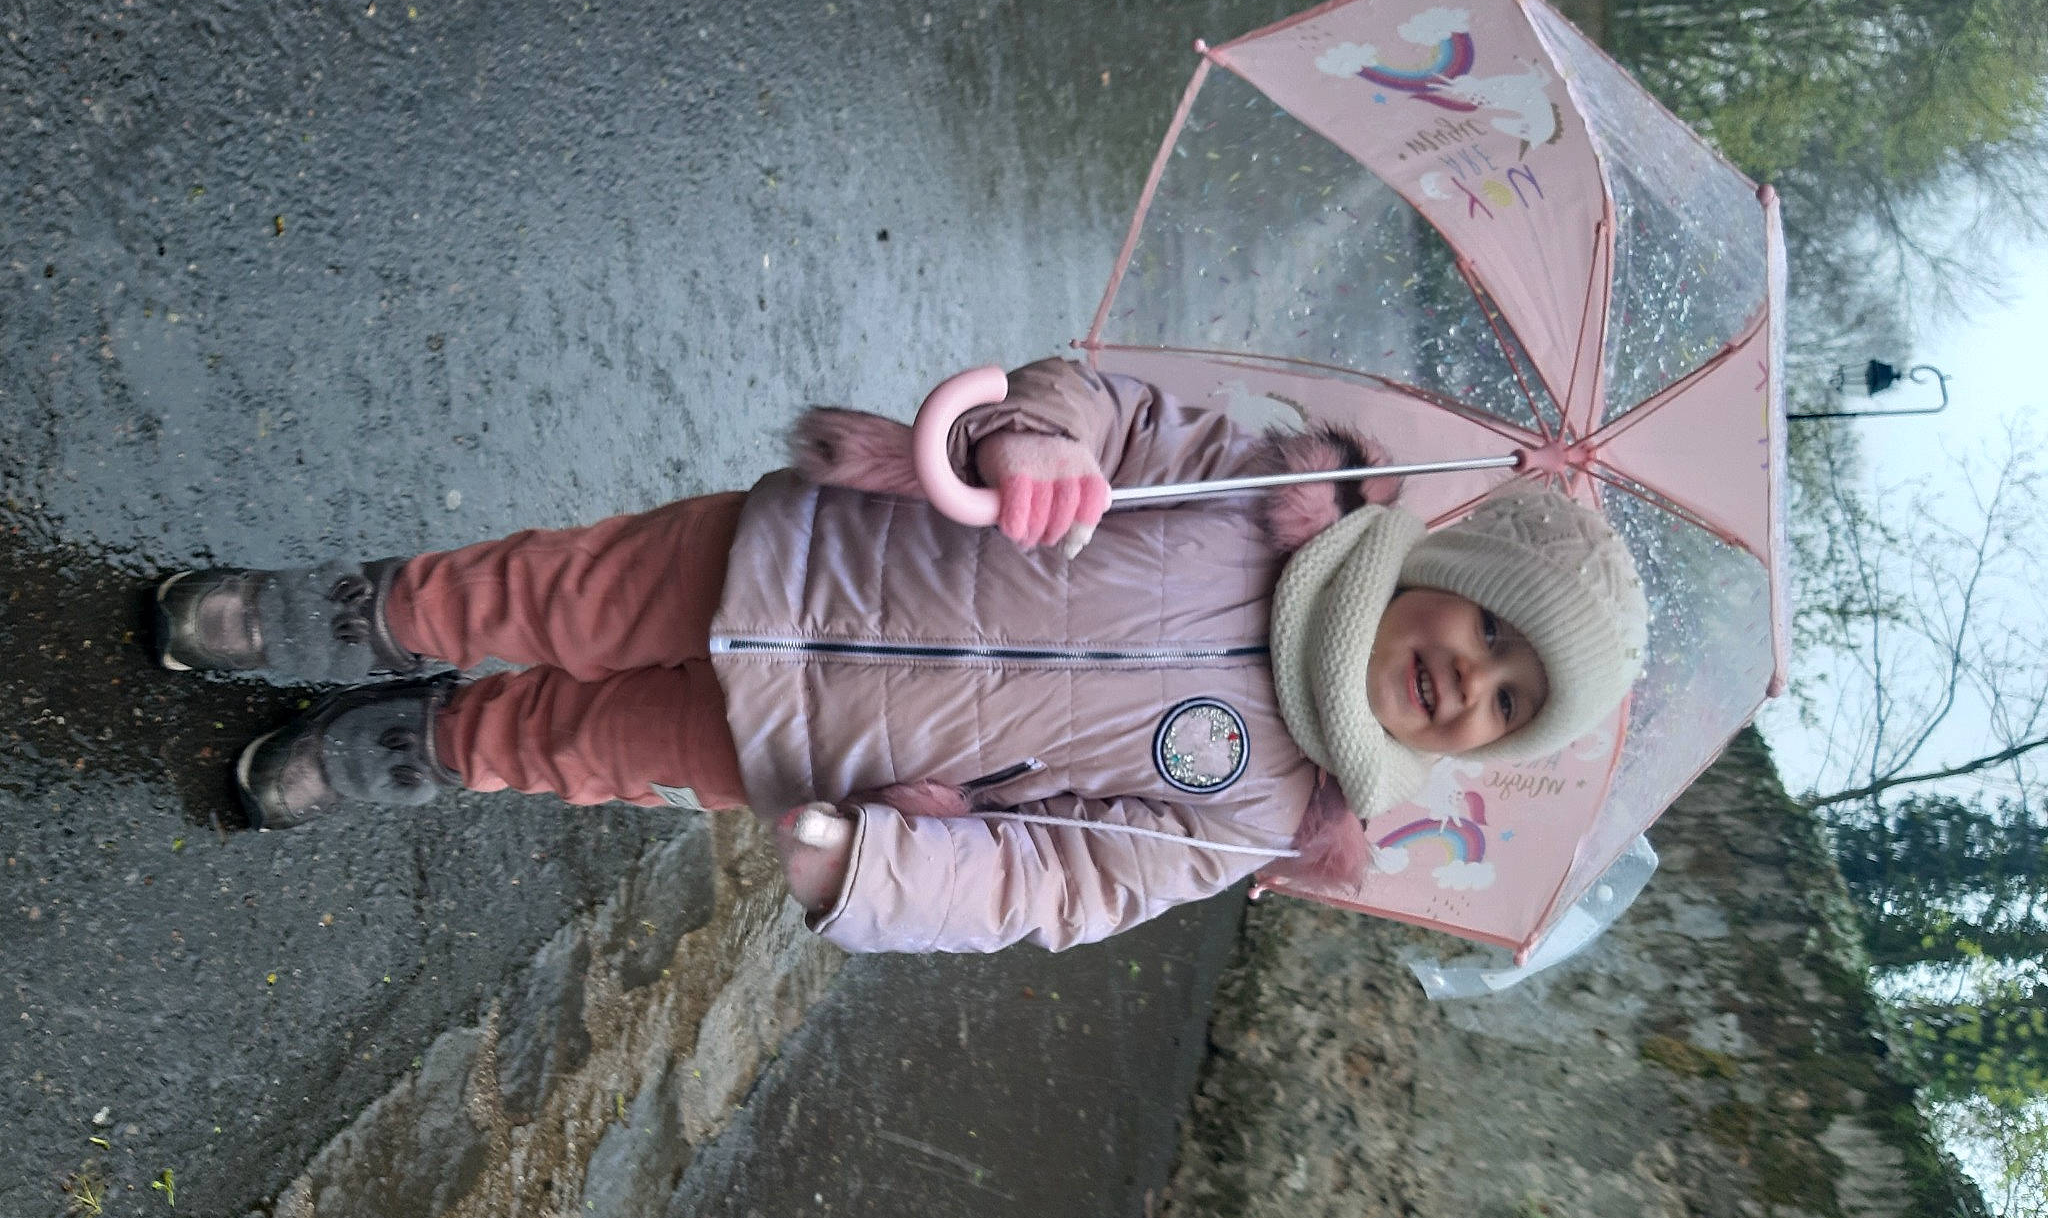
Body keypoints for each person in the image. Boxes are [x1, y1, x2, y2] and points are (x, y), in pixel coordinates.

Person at [151, 358, 1646, 954]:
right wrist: (1040, 435)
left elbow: (1061, 884)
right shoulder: (1257, 494)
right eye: (1491, 631)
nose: (1474, 681)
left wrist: (883, 877)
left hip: (815, 754)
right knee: (531, 595)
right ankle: (322, 618)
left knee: (570, 745)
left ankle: (403, 750)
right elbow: (1097, 404)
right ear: (1443, 571)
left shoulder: (1261, 810)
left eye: (1509, 709)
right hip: (790, 552)